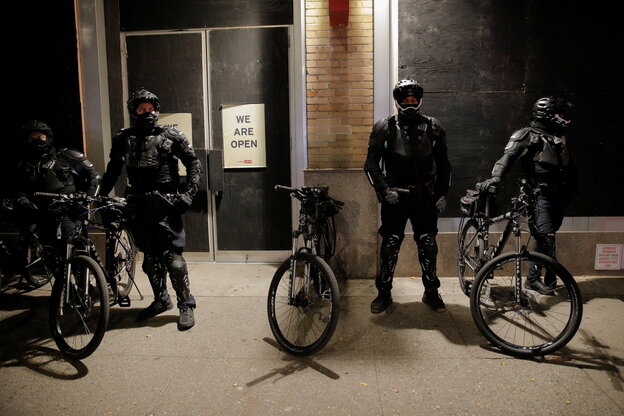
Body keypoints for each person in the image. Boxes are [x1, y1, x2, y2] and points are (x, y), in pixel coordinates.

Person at [99, 88, 202, 330]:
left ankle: (185, 303)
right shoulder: (123, 138)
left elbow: (193, 162)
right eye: (141, 109)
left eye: (151, 108)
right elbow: (113, 169)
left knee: (173, 260)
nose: (147, 112)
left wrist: (189, 193)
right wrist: (101, 196)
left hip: (166, 206)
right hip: (138, 206)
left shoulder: (172, 135)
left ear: (157, 110)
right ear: (134, 112)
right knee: (150, 260)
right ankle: (161, 299)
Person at [364, 79, 451, 313]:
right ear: (398, 102)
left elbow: (444, 165)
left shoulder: (433, 127)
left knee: (428, 244)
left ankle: (431, 292)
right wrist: (384, 190)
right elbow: (371, 164)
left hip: (425, 195)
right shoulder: (385, 126)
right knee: (390, 245)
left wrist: (442, 194)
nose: (410, 104)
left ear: (420, 100)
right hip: (396, 196)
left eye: (414, 100)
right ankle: (384, 293)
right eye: (405, 100)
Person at [476, 96, 577, 294]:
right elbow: (507, 158)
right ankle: (550, 279)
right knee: (547, 239)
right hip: (538, 196)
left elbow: (568, 167)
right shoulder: (527, 135)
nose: (563, 118)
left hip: (558, 197)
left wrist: (573, 188)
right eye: (559, 114)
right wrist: (495, 178)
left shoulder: (557, 138)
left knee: (544, 237)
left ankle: (532, 279)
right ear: (547, 114)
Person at [13, 120, 100, 256]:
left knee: (75, 251)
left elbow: (94, 176)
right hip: (42, 213)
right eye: (32, 138)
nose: (37, 141)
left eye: (41, 137)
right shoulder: (23, 164)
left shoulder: (66, 156)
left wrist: (87, 197)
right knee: (50, 254)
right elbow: (18, 188)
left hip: (68, 210)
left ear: (48, 138)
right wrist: (22, 200)